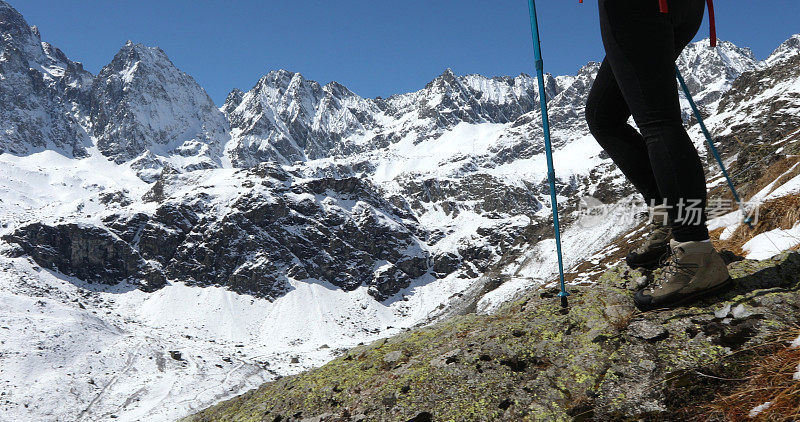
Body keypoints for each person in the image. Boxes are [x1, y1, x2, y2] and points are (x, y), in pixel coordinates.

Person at [584, 0, 731, 311]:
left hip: (637, 9)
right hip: (681, 7)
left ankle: (694, 251)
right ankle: (669, 218)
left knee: (658, 122)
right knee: (605, 116)